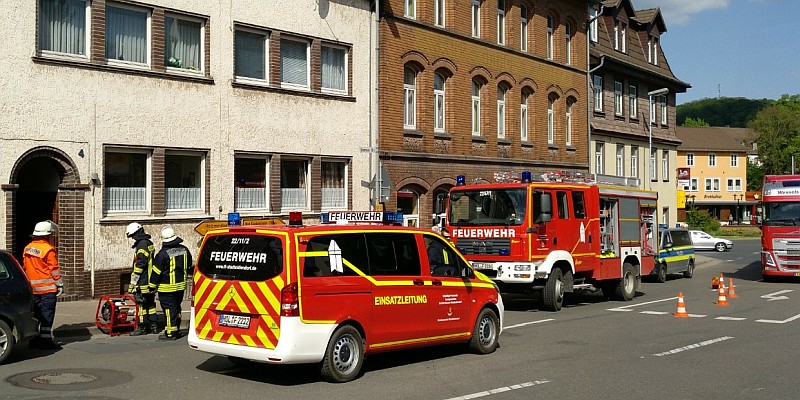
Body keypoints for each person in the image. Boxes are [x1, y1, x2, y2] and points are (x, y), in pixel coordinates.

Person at [22, 220, 63, 350]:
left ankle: (33, 339)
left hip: (33, 289)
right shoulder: (48, 249)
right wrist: (60, 284)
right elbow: (54, 269)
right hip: (47, 289)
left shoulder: (27, 248)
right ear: (47, 235)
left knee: (36, 315)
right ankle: (45, 341)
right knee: (47, 315)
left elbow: (25, 266)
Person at [149, 226, 192, 340]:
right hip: (181, 286)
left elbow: (156, 272)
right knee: (176, 308)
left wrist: (152, 286)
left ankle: (170, 333)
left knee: (168, 310)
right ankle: (176, 330)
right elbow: (189, 265)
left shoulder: (162, 254)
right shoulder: (184, 249)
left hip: (166, 288)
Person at [125, 222, 158, 336]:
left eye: (133, 235)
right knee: (150, 305)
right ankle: (154, 326)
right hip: (150, 280)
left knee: (142, 305)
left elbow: (140, 264)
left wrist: (133, 282)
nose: (133, 238)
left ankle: (142, 327)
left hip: (143, 281)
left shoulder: (142, 245)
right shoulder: (148, 243)